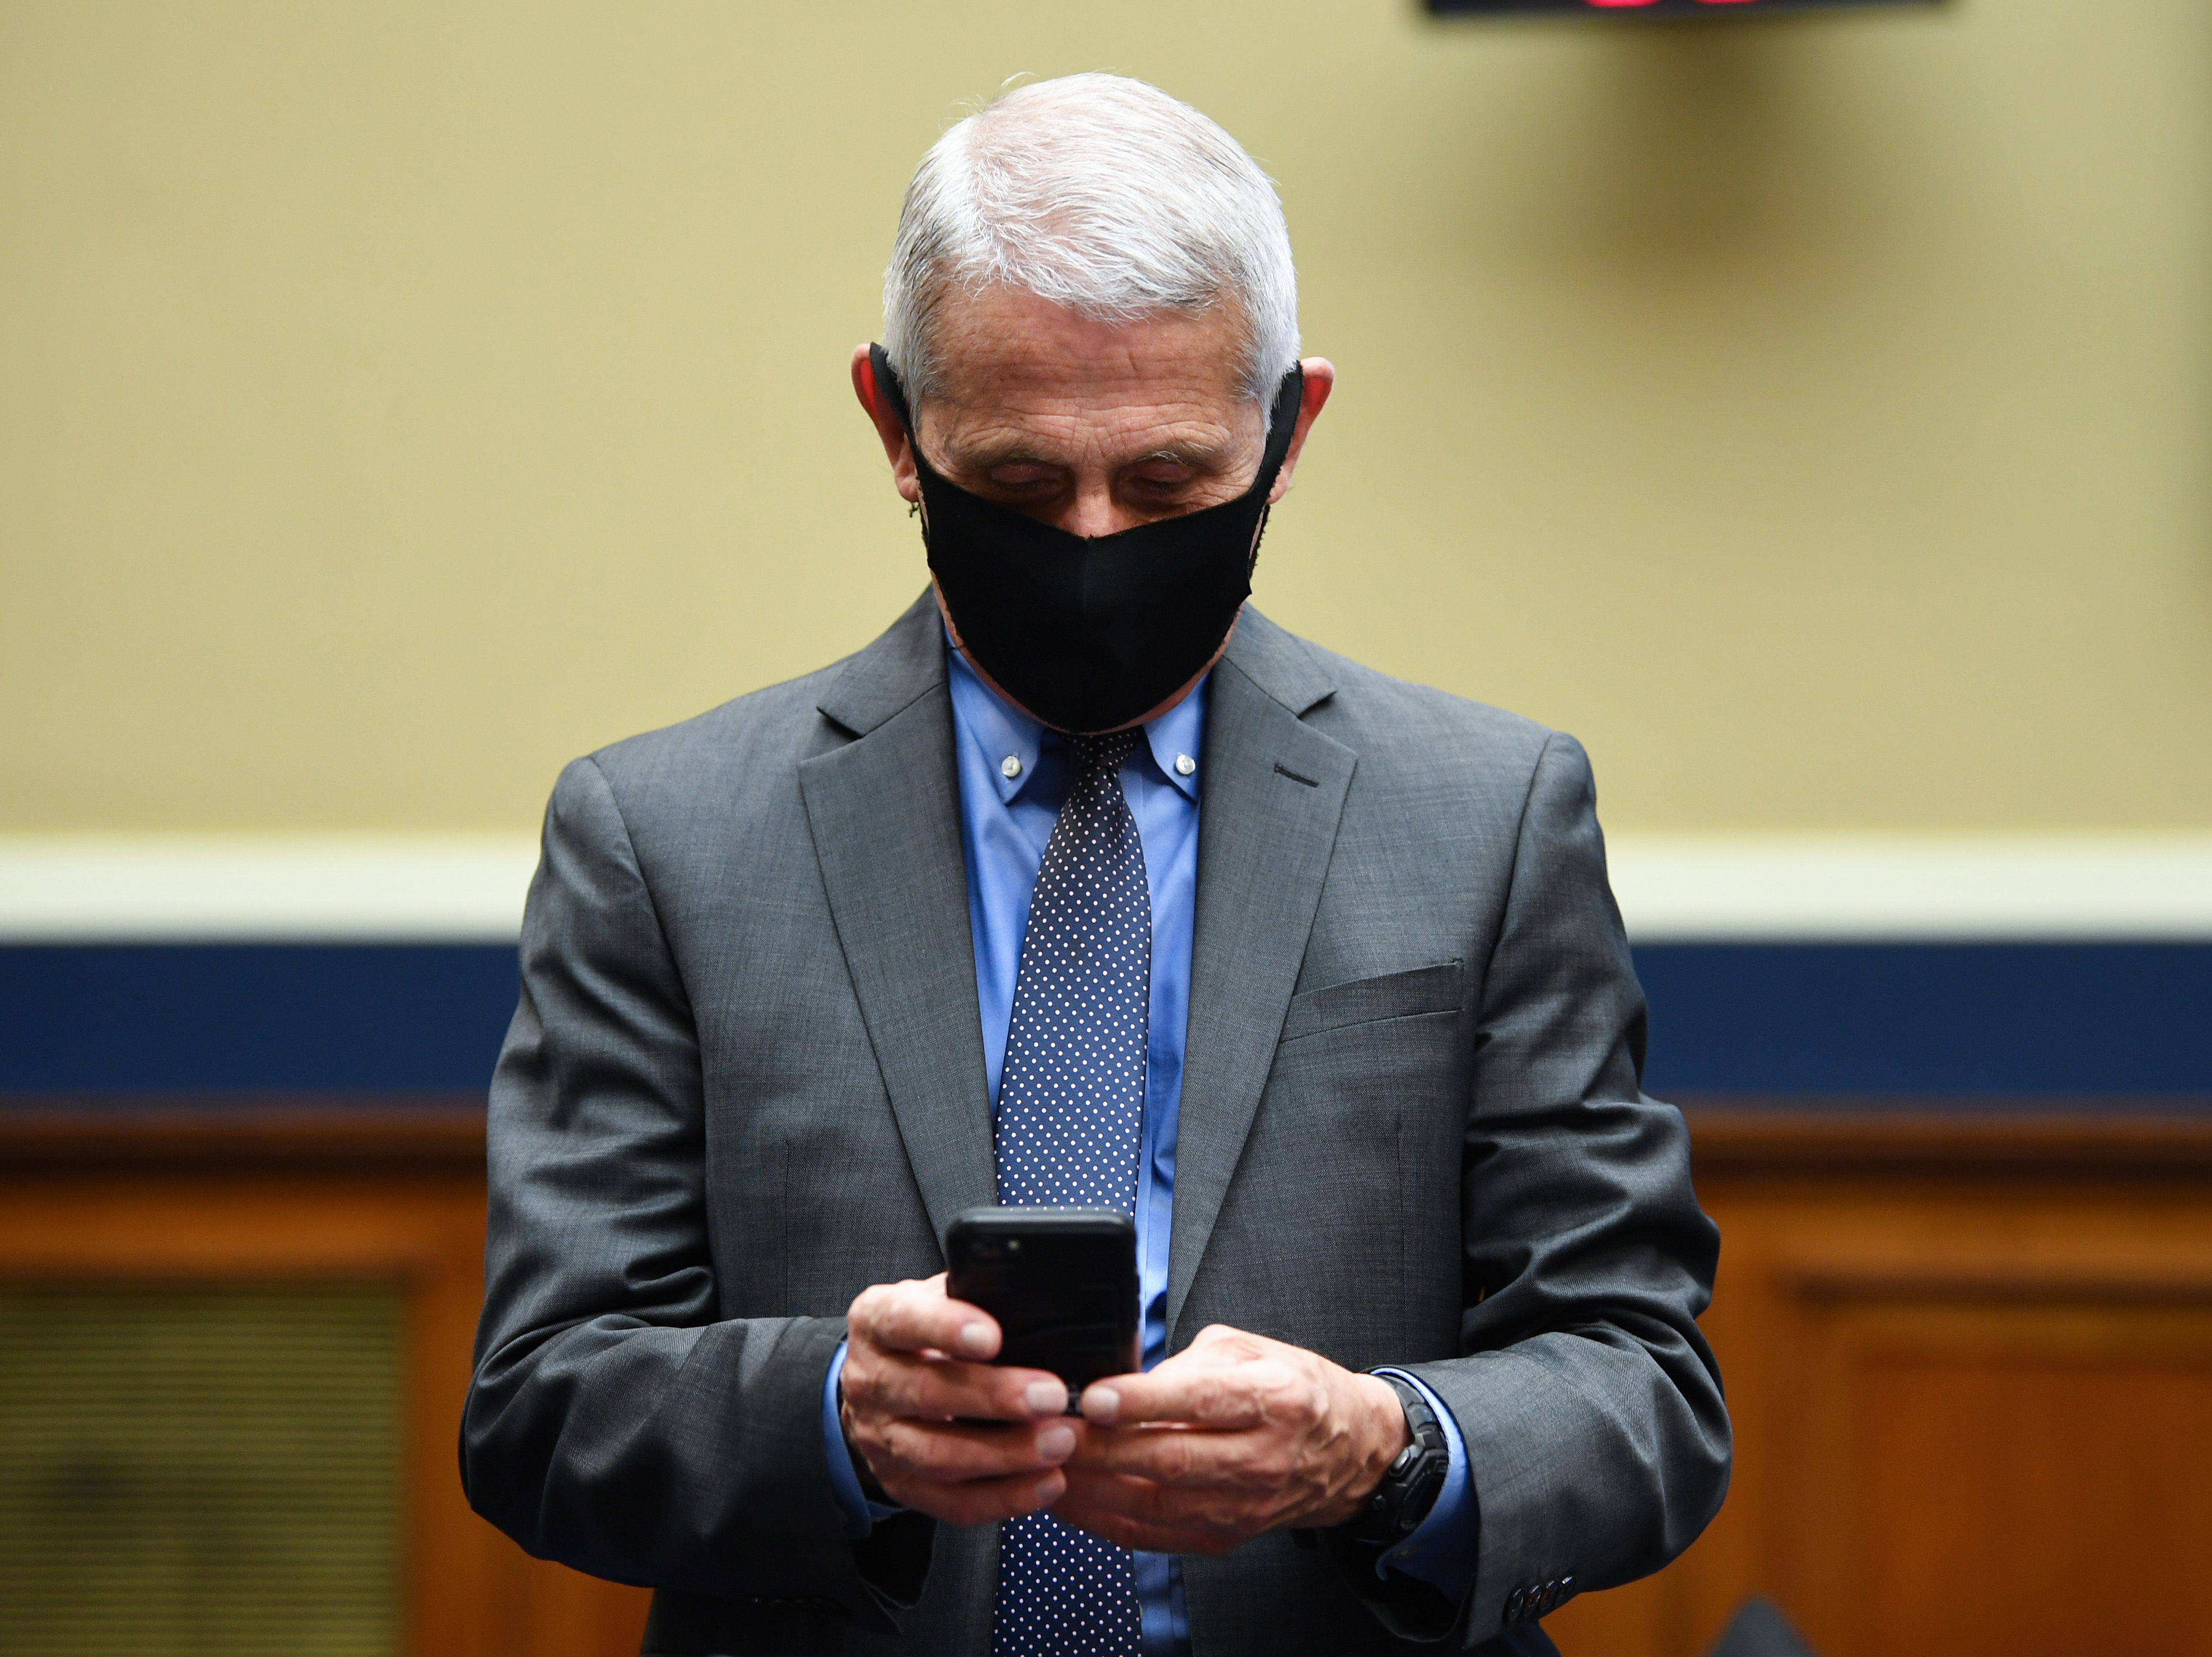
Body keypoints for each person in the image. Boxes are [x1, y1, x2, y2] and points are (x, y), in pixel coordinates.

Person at [461, 72, 1729, 1657]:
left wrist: (1378, 1447)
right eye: (1013, 479)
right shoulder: (664, 836)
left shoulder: (1483, 816)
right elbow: (540, 1402)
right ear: (890, 423)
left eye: (1165, 483)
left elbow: (1641, 1389)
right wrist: (832, 1420)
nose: (1089, 540)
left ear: (1288, 429)